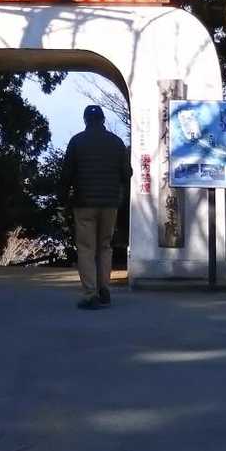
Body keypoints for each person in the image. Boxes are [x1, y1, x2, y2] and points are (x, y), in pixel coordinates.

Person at [62, 103, 130, 310]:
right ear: (103, 120)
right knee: (105, 246)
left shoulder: (77, 141)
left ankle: (91, 293)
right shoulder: (116, 142)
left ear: (85, 120)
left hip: (84, 203)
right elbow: (127, 173)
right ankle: (104, 289)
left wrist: (62, 197)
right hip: (109, 203)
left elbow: (67, 173)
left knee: (86, 248)